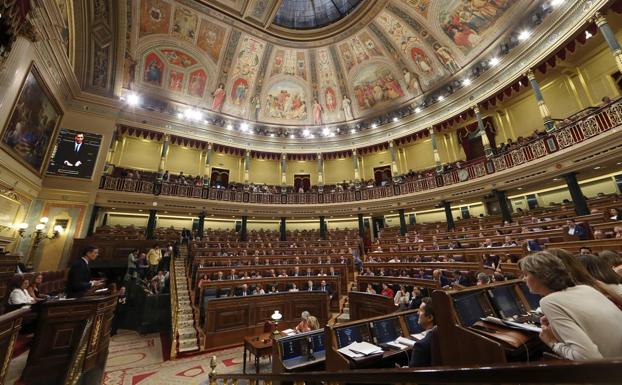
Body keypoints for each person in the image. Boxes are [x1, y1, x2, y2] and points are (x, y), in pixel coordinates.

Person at [518, 251, 622, 360]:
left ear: (541, 276)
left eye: (526, 274)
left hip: (613, 371)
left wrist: (553, 343)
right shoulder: (585, 288)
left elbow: (587, 357)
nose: (523, 279)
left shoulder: (549, 302)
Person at [408, 297, 437, 367]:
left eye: (420, 310)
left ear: (430, 317)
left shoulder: (421, 345)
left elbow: (413, 374)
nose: (417, 313)